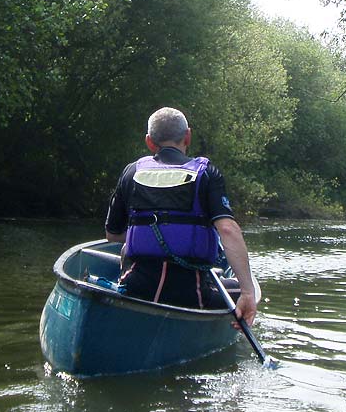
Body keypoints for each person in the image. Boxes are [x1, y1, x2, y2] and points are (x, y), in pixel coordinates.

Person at [104, 107, 259, 327]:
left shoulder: (131, 172)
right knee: (238, 288)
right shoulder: (207, 174)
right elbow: (227, 230)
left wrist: (150, 236)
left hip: (138, 289)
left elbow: (112, 234)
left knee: (124, 255)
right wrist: (247, 293)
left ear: (149, 142)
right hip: (191, 294)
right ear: (188, 136)